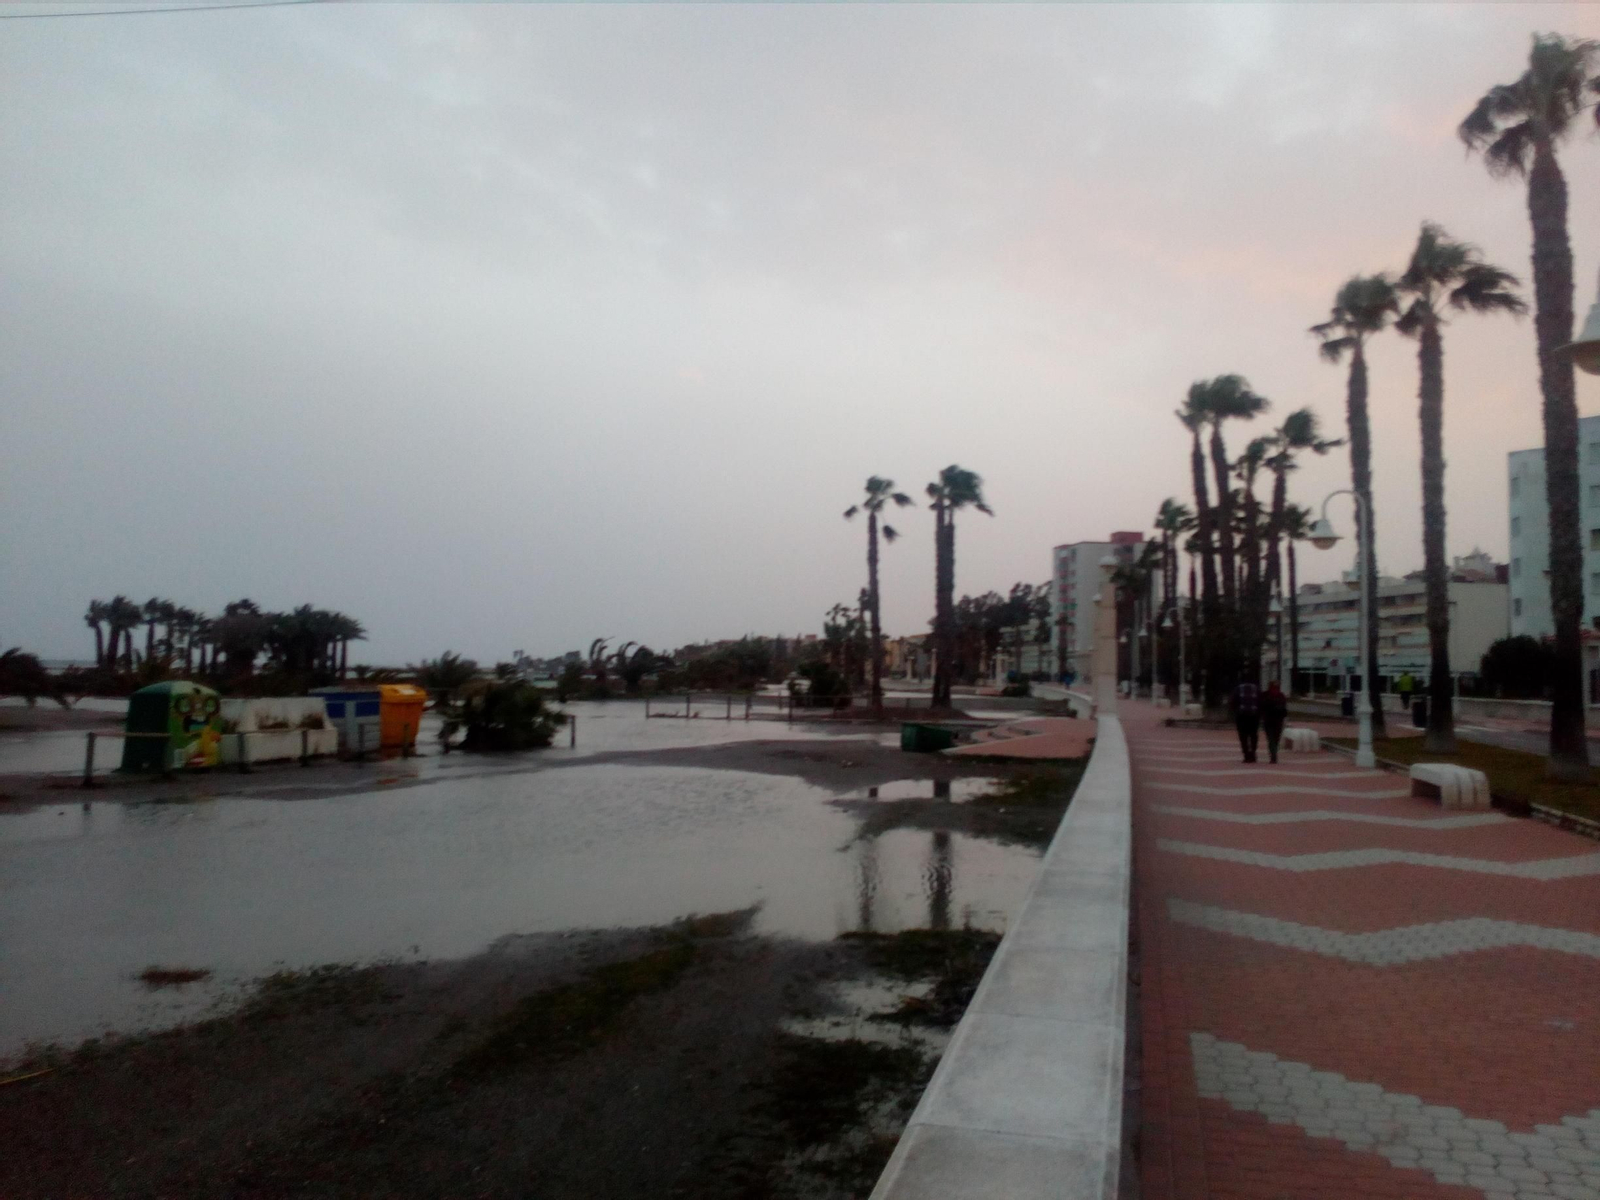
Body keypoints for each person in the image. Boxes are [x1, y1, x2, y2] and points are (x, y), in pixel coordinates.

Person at [1231, 679, 1260, 763]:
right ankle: (1253, 753)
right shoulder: (1256, 689)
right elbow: (1260, 702)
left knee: (1243, 736)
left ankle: (1246, 755)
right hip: (1254, 716)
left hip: (1241, 716)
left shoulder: (1238, 689)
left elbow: (1233, 701)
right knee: (1253, 735)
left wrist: (1236, 712)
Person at [1261, 680, 1289, 764]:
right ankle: (1273, 754)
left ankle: (1273, 754)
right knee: (1273, 739)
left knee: (1273, 739)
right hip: (1273, 720)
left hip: (1272, 720)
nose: (1275, 689)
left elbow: (1261, 707)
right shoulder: (1279, 695)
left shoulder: (1268, 695)